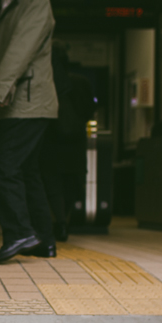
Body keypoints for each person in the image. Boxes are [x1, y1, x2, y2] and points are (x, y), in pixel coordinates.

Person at [0, 0, 59, 264]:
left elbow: (20, 49)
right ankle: (44, 240)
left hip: (26, 100)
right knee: (27, 171)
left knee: (3, 164)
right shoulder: (3, 4)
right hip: (21, 99)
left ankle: (19, 233)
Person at [40, 43, 96, 245]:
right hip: (76, 141)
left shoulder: (47, 82)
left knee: (53, 184)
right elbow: (90, 109)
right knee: (72, 183)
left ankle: (59, 221)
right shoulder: (81, 82)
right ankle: (66, 221)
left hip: (51, 140)